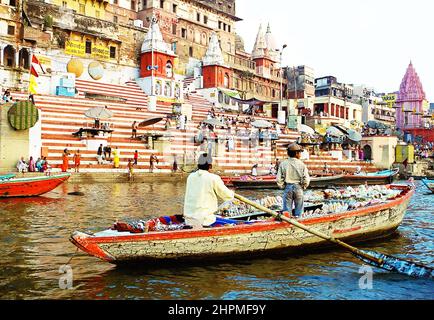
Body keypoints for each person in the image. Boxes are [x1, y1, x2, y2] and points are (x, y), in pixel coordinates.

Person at [183, 153, 235, 228]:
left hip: (188, 220)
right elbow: (228, 196)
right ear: (210, 166)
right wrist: (232, 192)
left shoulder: (190, 177)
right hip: (205, 221)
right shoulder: (213, 178)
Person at [277, 143, 310, 218]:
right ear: (296, 153)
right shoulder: (301, 164)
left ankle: (287, 223)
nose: (300, 155)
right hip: (298, 187)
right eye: (299, 153)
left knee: (287, 212)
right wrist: (304, 186)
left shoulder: (283, 164)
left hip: (288, 187)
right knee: (299, 210)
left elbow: (279, 179)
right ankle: (298, 222)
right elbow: (306, 179)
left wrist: (283, 186)